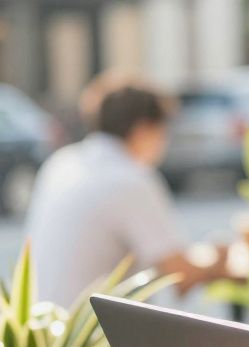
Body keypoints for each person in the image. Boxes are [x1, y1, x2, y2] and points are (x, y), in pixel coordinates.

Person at [25, 72, 226, 306]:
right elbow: (181, 277)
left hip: (46, 331)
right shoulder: (128, 178)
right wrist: (219, 259)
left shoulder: (61, 163)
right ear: (144, 129)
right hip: (98, 337)